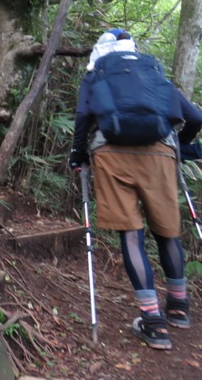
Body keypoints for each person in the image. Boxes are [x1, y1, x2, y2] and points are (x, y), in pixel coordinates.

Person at [70, 28, 202, 350]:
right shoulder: (152, 70)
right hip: (159, 154)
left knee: (131, 234)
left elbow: (84, 117)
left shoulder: (96, 73)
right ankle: (179, 308)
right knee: (168, 233)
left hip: (111, 154)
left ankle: (153, 323)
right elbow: (195, 116)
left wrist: (77, 154)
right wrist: (181, 147)